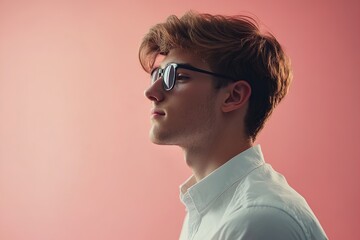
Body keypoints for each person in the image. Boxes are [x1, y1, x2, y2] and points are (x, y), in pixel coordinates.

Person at [139, 11, 327, 240]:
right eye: (157, 74)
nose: (151, 92)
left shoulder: (258, 221)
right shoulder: (206, 209)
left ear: (233, 96)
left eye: (176, 76)